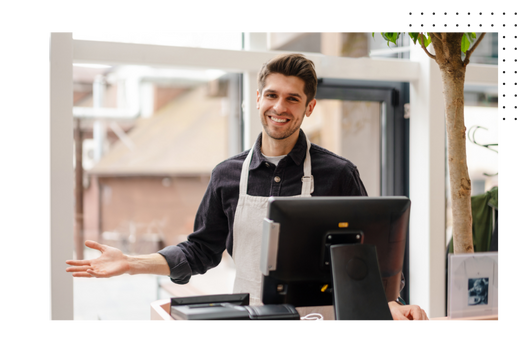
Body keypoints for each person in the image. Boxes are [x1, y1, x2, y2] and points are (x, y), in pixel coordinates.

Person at [66, 53, 428, 323]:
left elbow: (369, 257)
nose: (279, 107)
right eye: (271, 95)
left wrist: (392, 305)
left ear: (310, 106)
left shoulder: (338, 174)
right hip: (252, 317)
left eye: (292, 99)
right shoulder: (226, 175)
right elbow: (199, 251)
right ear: (257, 99)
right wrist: (130, 263)